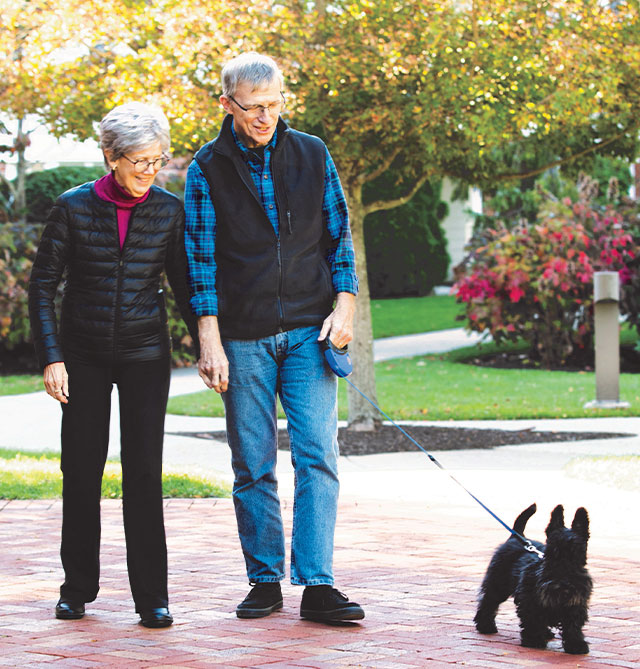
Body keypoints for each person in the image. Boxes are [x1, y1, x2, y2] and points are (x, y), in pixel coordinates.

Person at [184, 52, 364, 623]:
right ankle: (264, 579)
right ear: (227, 104)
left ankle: (316, 584)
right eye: (252, 107)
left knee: (318, 458)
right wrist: (208, 338)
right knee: (253, 463)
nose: (265, 116)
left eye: (274, 104)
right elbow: (200, 261)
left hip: (310, 334)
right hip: (243, 338)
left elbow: (338, 238)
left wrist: (346, 304)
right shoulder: (206, 168)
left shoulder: (312, 153)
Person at [28, 102, 197, 628]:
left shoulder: (169, 210)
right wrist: (52, 356)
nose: (150, 171)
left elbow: (186, 287)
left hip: (146, 354)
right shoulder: (73, 207)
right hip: (83, 355)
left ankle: (153, 598)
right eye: (139, 161)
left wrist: (209, 346)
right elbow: (41, 287)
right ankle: (77, 588)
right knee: (81, 471)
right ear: (110, 156)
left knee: (144, 474)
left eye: (157, 160)